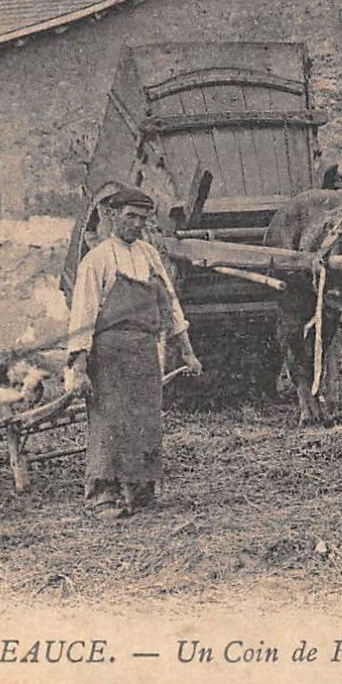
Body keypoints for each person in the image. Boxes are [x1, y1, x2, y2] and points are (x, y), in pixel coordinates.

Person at [66, 185, 201, 518]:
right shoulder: (95, 260)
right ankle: (103, 496)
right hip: (109, 353)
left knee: (145, 421)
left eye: (142, 219)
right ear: (113, 216)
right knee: (109, 422)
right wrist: (79, 367)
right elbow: (82, 316)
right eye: (130, 217)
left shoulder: (149, 255)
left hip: (144, 351)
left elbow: (170, 305)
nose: (136, 224)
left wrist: (187, 351)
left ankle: (141, 492)